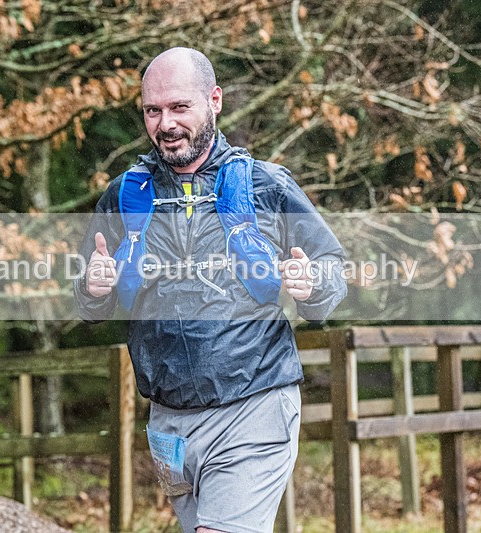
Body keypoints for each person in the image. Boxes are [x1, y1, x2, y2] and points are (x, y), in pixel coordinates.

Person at [75, 47, 346, 533]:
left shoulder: (267, 186)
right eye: (153, 111)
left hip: (254, 402)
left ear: (214, 100)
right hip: (169, 420)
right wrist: (93, 287)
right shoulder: (125, 195)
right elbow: (90, 296)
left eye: (180, 107)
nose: (166, 124)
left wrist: (312, 284)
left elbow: (333, 267)